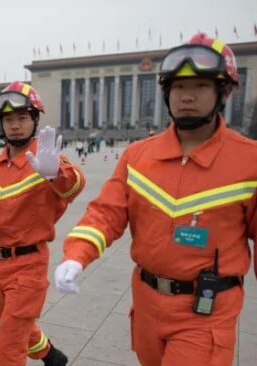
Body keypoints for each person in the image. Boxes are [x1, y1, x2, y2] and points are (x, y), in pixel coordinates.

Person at [54, 33, 256, 366]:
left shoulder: (249, 162)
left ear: (225, 91)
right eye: (178, 87)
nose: (186, 97)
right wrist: (76, 255)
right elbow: (105, 214)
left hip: (205, 312)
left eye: (200, 87)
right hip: (147, 304)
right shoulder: (138, 156)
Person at [0, 81, 85, 365]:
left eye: (22, 118)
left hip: (28, 266)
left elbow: (74, 187)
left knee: (9, 346)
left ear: (35, 120)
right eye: (9, 119)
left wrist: (54, 174)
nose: (15, 125)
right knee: (17, 327)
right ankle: (51, 355)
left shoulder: (46, 162)